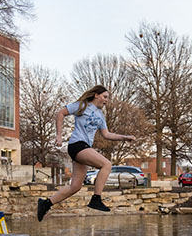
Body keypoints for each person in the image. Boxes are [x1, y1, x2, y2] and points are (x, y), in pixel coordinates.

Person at [37, 85, 135, 221]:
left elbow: (106, 134)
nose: (106, 100)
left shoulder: (101, 115)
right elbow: (61, 113)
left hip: (84, 147)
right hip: (77, 145)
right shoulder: (82, 105)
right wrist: (59, 135)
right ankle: (96, 198)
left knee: (75, 186)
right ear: (96, 95)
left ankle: (46, 203)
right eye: (105, 97)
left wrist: (124, 137)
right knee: (106, 164)